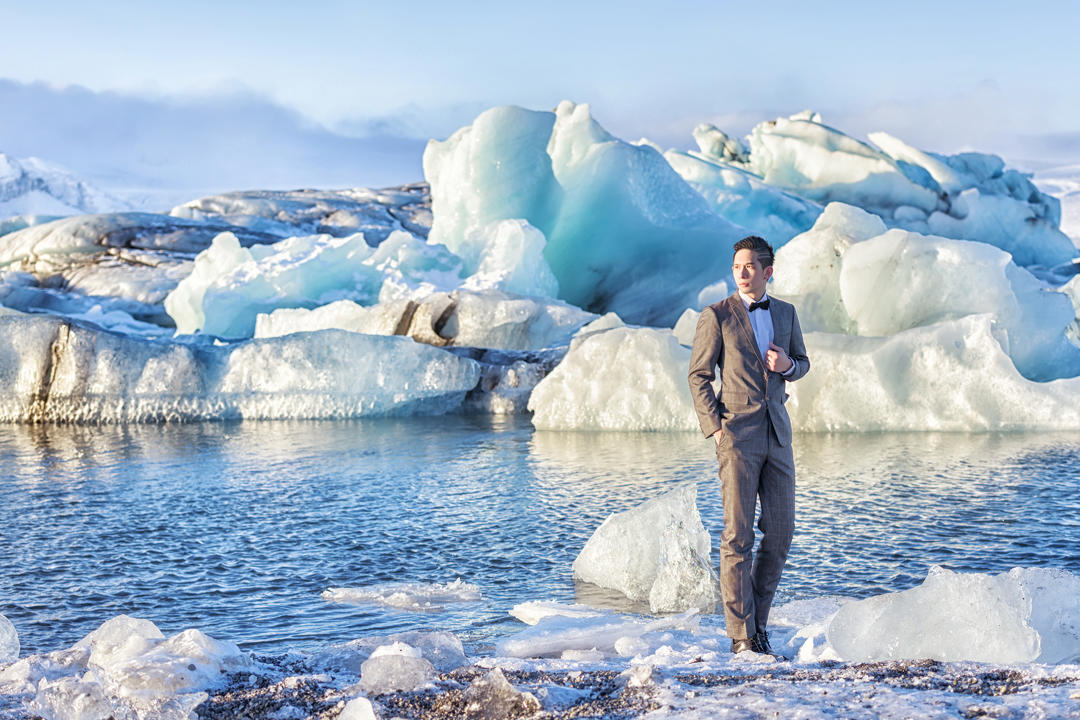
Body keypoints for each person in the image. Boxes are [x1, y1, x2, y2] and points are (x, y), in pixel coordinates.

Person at [687, 235, 810, 657]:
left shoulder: (787, 314)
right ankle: (743, 637)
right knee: (737, 535)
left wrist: (788, 366)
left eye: (749, 267)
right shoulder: (716, 315)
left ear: (767, 272)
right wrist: (716, 429)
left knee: (780, 532)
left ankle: (757, 621)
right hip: (736, 435)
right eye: (737, 265)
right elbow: (698, 375)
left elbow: (802, 362)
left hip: (777, 432)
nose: (741, 272)